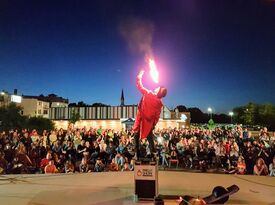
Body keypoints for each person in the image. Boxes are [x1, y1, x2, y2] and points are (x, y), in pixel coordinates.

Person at [133, 70, 167, 160]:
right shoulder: (160, 103)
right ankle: (153, 153)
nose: (157, 87)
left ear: (159, 91)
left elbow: (139, 86)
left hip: (140, 119)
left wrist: (140, 75)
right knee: (149, 137)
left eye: (159, 88)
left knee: (136, 136)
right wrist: (153, 125)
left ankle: (137, 154)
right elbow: (157, 116)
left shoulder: (148, 94)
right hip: (148, 123)